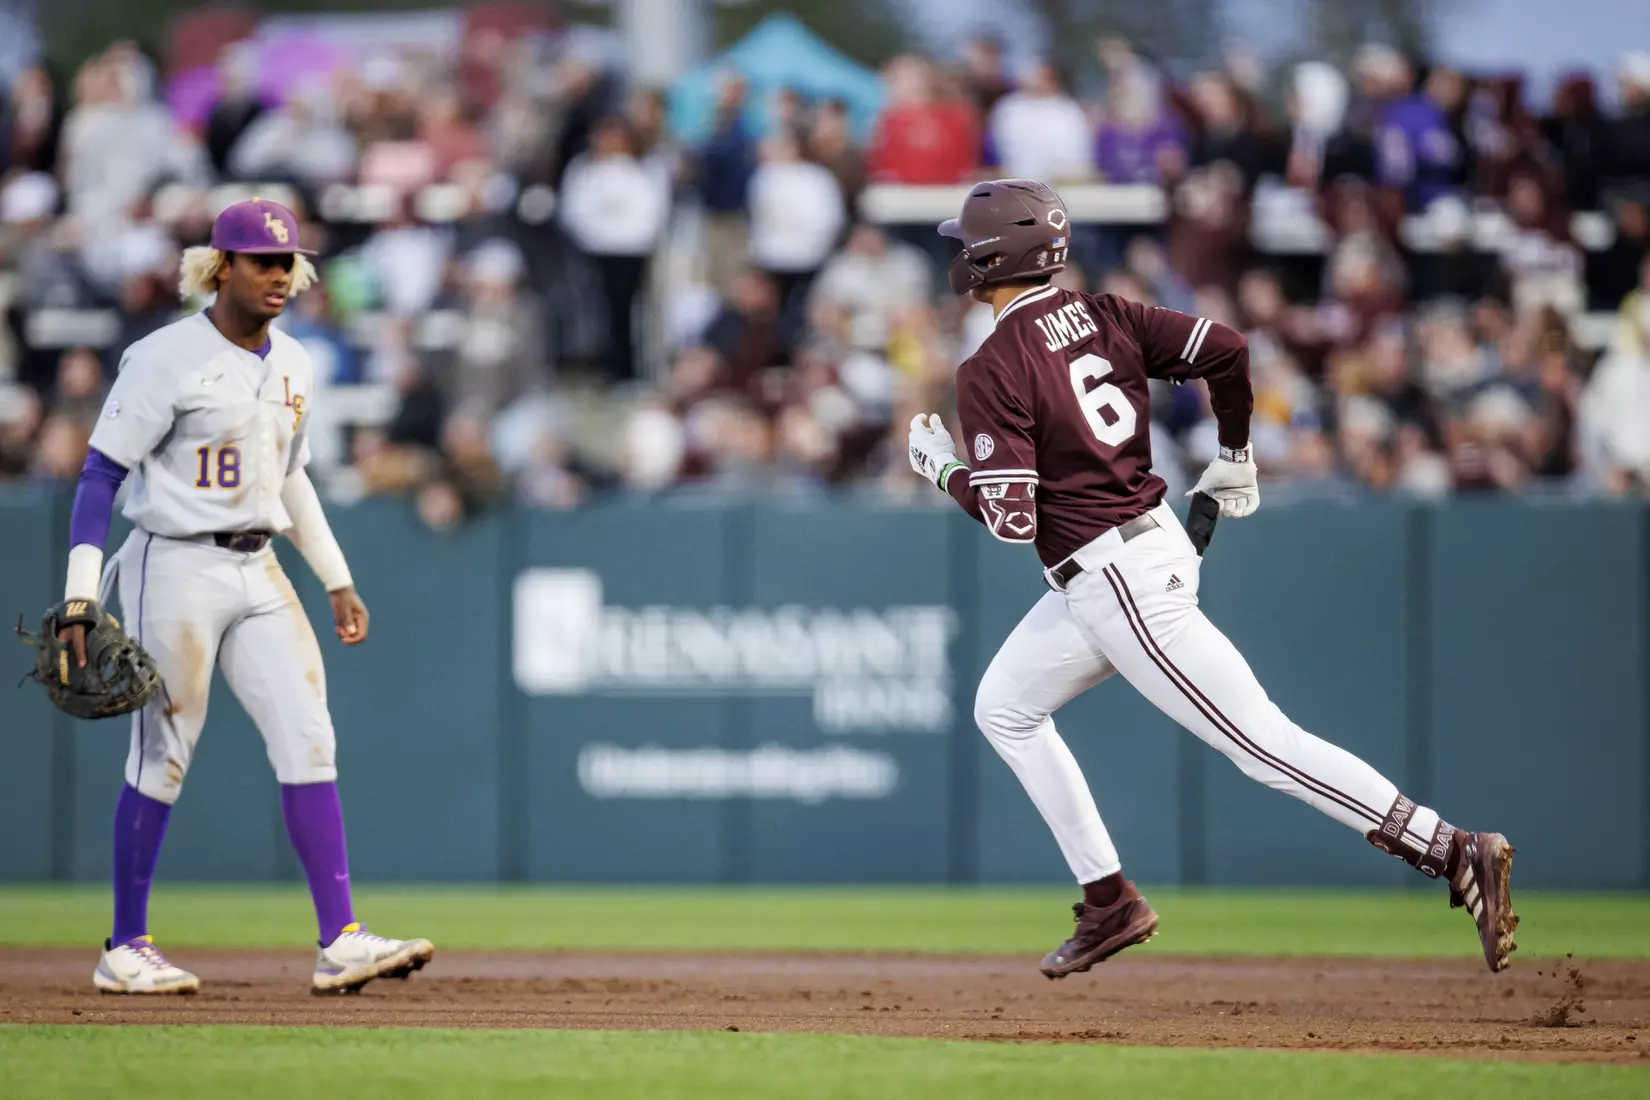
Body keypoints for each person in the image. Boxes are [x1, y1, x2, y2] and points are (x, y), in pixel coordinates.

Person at [905, 179, 1518, 979]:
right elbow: (1227, 348)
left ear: (993, 255)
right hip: (1133, 552)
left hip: (1115, 576)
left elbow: (1011, 519)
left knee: (1265, 746)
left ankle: (1452, 849)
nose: (958, 256)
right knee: (1006, 708)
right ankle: (1108, 900)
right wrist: (1233, 453)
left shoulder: (993, 363)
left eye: (967, 243)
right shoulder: (1108, 314)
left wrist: (941, 466)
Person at [56, 198, 434, 995]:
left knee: (310, 737)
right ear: (219, 265)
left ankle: (342, 940)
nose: (279, 274)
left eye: (288, 261)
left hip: (259, 565)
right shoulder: (164, 357)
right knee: (165, 752)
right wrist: (82, 597)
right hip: (176, 562)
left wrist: (335, 577)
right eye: (262, 260)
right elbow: (100, 476)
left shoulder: (295, 361)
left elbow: (290, 475)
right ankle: (124, 945)